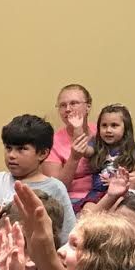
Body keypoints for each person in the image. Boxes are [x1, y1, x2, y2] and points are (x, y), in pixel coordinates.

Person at [83, 103, 135, 209]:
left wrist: (117, 182)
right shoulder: (95, 145)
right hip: (98, 193)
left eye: (114, 125)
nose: (108, 130)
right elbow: (84, 151)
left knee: (115, 208)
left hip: (123, 193)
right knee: (86, 210)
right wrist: (77, 129)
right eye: (104, 125)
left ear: (126, 128)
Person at [47, 83, 99, 211]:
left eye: (74, 103)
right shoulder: (52, 142)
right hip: (72, 200)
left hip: (106, 193)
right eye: (63, 105)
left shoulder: (102, 132)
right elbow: (56, 189)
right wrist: (74, 159)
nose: (68, 109)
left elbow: (127, 152)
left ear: (88, 106)